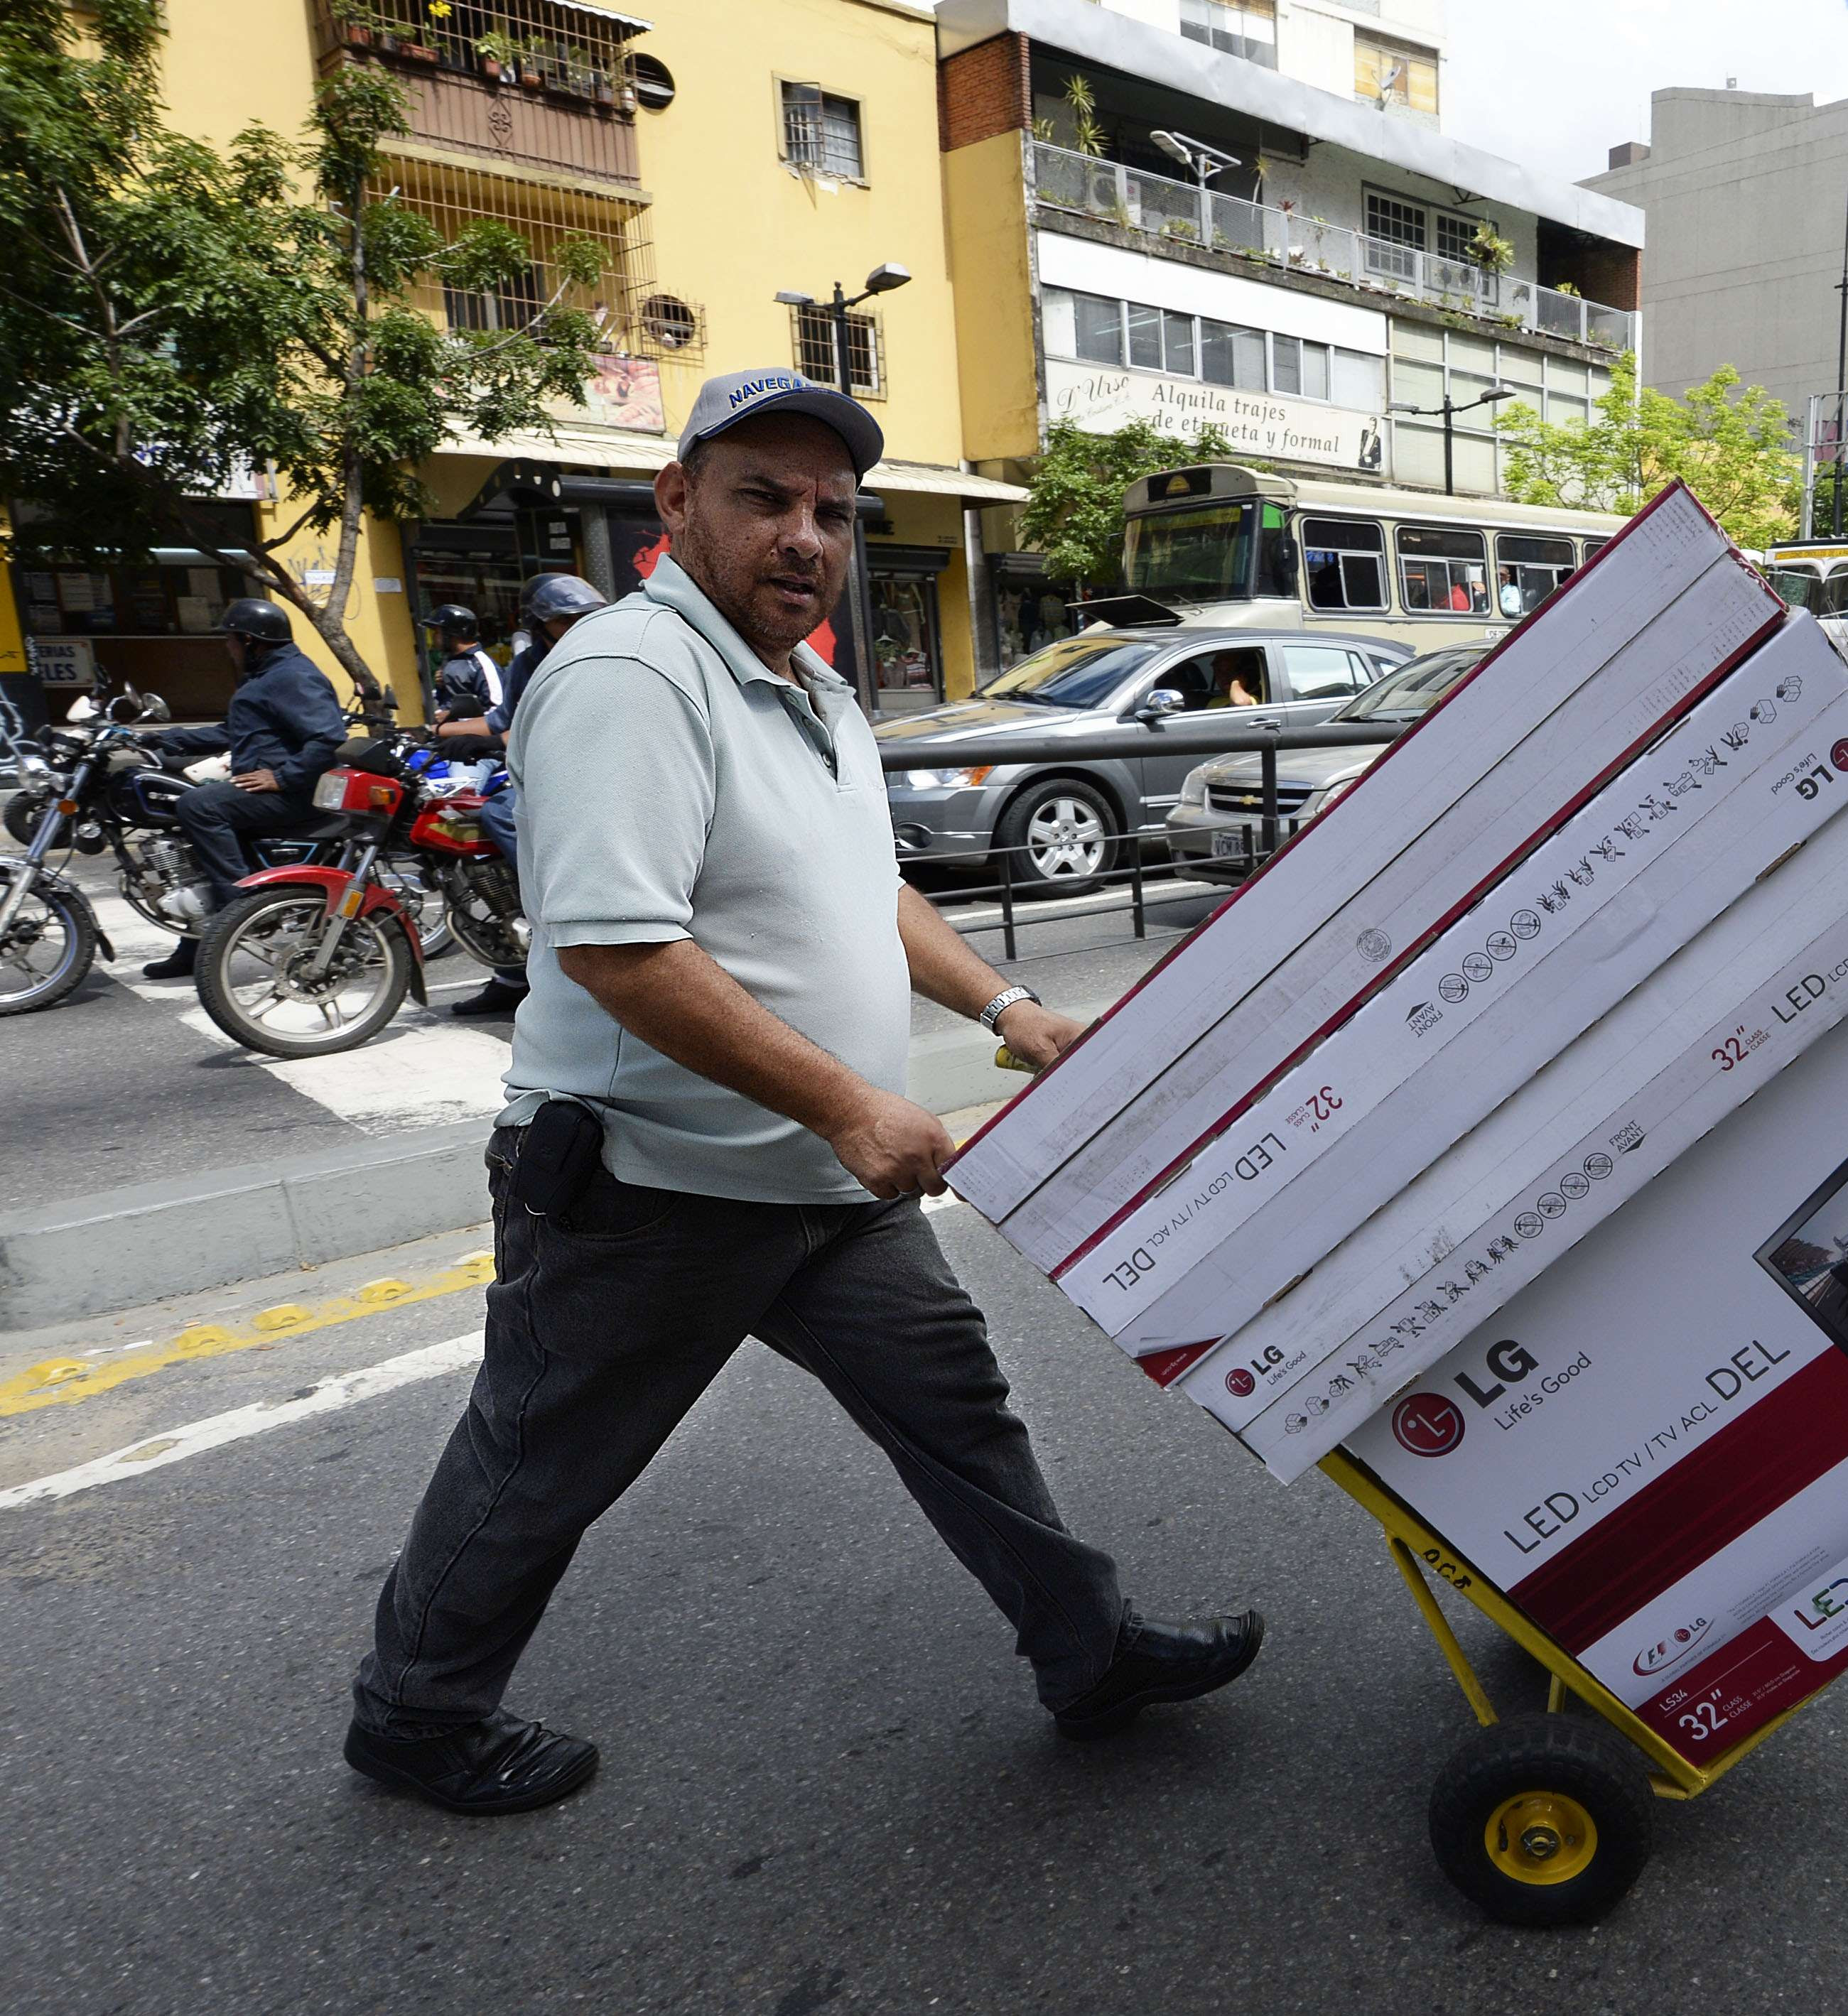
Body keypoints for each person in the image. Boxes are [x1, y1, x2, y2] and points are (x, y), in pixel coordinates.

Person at [345, 368, 1264, 1818]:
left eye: (831, 511)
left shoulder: (808, 681)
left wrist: (1006, 1005)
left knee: (959, 1408)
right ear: (675, 502)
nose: (804, 536)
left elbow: (866, 886)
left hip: (823, 1181)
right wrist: (848, 1105)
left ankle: (1084, 1654)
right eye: (762, 498)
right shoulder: (631, 678)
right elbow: (618, 951)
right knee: (542, 1464)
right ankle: (412, 1715)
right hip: (651, 1183)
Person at [140, 600, 351, 982]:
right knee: (186, 830)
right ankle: (195, 943)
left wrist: (283, 777)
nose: (227, 647)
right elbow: (233, 731)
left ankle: (241, 909)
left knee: (198, 807)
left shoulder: (292, 676)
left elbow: (328, 738)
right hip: (270, 783)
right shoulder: (264, 676)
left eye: (230, 639)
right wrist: (166, 741)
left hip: (298, 792)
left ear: (250, 640)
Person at [431, 573, 608, 1019]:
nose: (574, 626)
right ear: (537, 624)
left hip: (594, 775)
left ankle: (553, 900)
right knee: (465, 815)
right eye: (562, 620)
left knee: (502, 815)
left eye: (580, 617)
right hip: (543, 772)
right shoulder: (527, 663)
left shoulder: (608, 653)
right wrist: (441, 732)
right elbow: (503, 721)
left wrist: (496, 742)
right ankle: (511, 971)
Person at [422, 605, 503, 722]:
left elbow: (497, 711)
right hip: (447, 735)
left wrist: (454, 716)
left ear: (450, 634)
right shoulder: (449, 661)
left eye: (436, 632)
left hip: (473, 738)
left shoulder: (481, 664)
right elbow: (447, 702)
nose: (433, 637)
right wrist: (441, 688)